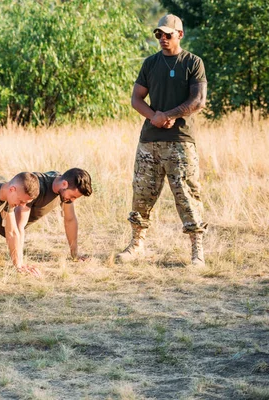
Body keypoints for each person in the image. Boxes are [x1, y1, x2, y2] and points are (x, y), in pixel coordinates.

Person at [117, 14, 207, 266]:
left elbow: (198, 100)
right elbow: (136, 99)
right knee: (141, 194)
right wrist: (154, 117)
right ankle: (137, 244)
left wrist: (169, 115)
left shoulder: (193, 62)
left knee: (187, 195)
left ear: (180, 34)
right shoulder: (150, 63)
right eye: (159, 34)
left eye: (168, 34)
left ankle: (196, 250)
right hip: (149, 140)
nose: (163, 39)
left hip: (180, 141)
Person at [0, 169, 93, 274]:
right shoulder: (37, 188)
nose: (72, 200)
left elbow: (70, 220)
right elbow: (18, 227)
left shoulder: (63, 187)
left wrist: (75, 254)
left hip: (7, 228)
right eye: (73, 196)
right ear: (64, 184)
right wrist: (20, 265)